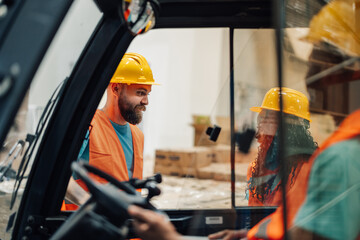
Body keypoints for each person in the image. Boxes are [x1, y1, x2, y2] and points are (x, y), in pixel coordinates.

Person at [127, 0, 360, 239]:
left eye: (319, 63)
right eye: (262, 116)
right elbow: (285, 225)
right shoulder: (259, 166)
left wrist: (172, 239)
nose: (310, 76)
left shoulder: (329, 161)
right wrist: (248, 235)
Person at [62, 52, 159, 210]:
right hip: (89, 228)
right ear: (115, 88)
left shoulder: (138, 136)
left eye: (147, 94)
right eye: (140, 93)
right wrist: (93, 205)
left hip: (122, 228)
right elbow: (58, 179)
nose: (146, 101)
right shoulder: (88, 127)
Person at [247, 87, 317, 206]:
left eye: (270, 118)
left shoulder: (309, 169)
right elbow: (253, 213)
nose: (262, 124)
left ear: (292, 126)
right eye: (262, 117)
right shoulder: (255, 168)